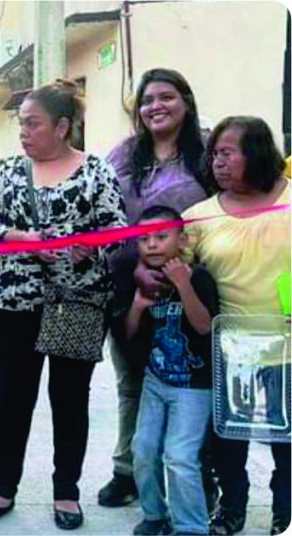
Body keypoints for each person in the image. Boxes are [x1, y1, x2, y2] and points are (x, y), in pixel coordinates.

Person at [0, 80, 127, 529]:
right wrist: (19, 239)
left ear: (62, 127)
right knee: (13, 398)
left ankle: (66, 493)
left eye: (33, 124)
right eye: (21, 124)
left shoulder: (95, 172)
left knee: (70, 399)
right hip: (17, 303)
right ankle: (3, 488)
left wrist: (90, 247)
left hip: (77, 302)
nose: (24, 132)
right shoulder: (8, 171)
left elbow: (116, 231)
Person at [101, 68, 217, 509]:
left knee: (192, 382)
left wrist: (180, 275)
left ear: (186, 101)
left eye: (166, 97)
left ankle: (199, 476)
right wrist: (133, 274)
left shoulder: (205, 153)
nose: (156, 106)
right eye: (147, 100)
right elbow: (107, 218)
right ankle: (128, 469)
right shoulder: (125, 154)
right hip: (130, 285)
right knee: (132, 380)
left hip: (188, 285)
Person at [182, 116, 291, 536]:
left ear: (257, 153)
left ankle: (286, 512)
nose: (217, 163)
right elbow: (175, 273)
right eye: (214, 155)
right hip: (230, 354)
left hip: (288, 350)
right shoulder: (197, 217)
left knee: (288, 445)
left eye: (227, 152)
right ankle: (231, 511)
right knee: (227, 443)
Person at [119, 206, 219, 535]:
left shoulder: (198, 276)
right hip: (155, 381)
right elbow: (129, 339)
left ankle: (191, 526)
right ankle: (154, 514)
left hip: (194, 386)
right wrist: (137, 306)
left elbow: (205, 328)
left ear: (181, 239)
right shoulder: (144, 281)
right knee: (144, 449)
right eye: (144, 238)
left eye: (161, 237)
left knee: (180, 456)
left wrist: (184, 285)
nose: (151, 245)